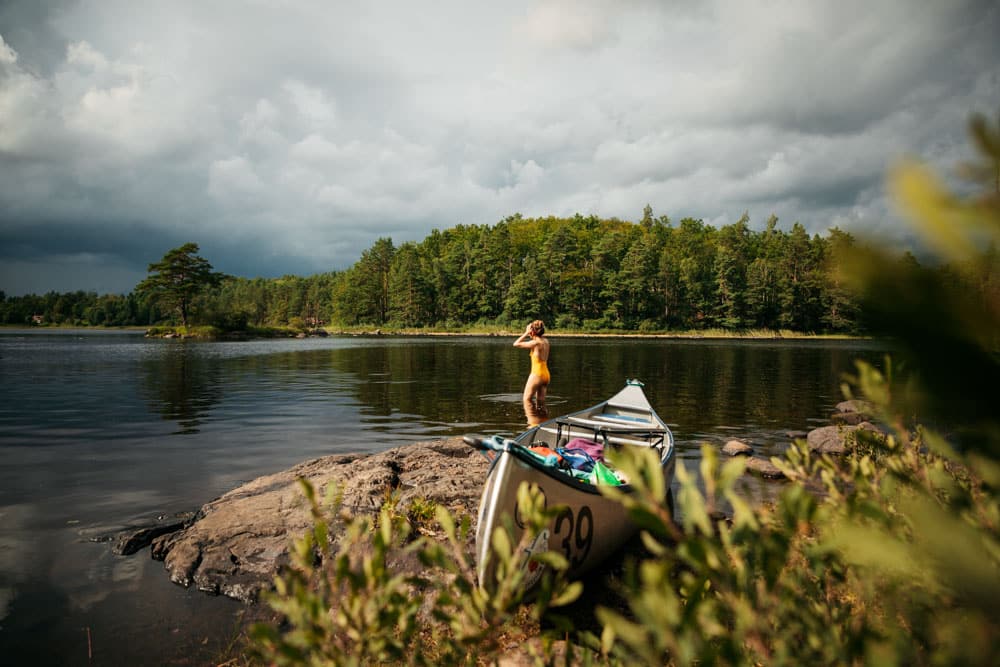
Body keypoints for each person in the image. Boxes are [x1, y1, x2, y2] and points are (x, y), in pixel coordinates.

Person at [513, 319, 550, 425]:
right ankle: (543, 423)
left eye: (530, 330)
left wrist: (525, 333)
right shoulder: (546, 341)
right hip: (546, 374)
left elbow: (516, 344)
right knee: (541, 402)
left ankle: (533, 425)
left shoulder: (535, 343)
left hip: (537, 374)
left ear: (532, 331)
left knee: (526, 400)